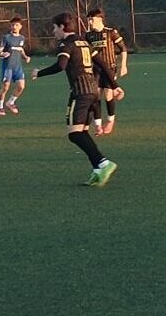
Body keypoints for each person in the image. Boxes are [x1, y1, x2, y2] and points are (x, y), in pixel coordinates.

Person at [35, 11, 115, 185]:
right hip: (93, 90)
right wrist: (115, 86)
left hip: (81, 92)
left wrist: (39, 73)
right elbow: (103, 64)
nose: (53, 32)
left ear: (62, 27)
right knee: (82, 131)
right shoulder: (83, 41)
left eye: (54, 28)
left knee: (74, 134)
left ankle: (103, 163)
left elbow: (60, 66)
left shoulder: (67, 44)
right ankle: (97, 169)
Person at [86, 7, 129, 133]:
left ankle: (110, 121)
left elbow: (123, 49)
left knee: (108, 94)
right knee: (96, 95)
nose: (90, 22)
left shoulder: (111, 33)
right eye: (88, 20)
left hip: (110, 68)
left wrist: (123, 65)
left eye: (92, 19)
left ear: (99, 19)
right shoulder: (88, 35)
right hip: (95, 69)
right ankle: (98, 125)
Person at [0, 17, 29, 116]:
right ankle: (0, 107)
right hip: (8, 67)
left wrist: (25, 57)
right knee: (5, 87)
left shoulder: (22, 38)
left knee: (21, 86)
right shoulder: (6, 38)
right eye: (12, 25)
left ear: (20, 26)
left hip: (17, 67)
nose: (14, 27)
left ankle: (10, 102)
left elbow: (20, 49)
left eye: (16, 25)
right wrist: (2, 53)